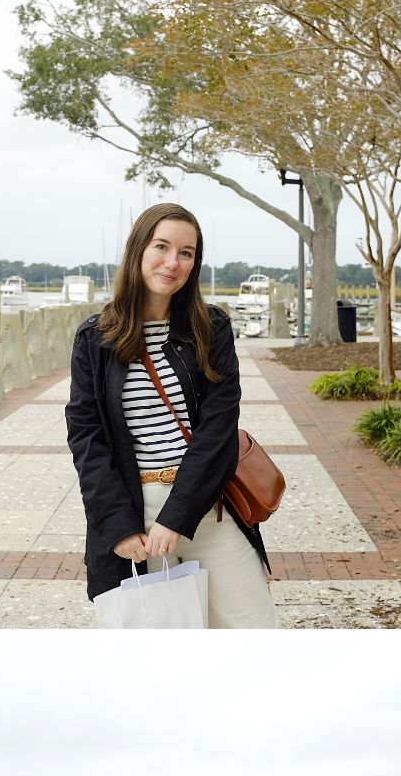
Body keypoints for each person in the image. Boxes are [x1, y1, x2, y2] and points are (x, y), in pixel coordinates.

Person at [65, 202, 276, 627]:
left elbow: (218, 430)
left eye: (186, 252)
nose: (173, 262)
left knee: (253, 631)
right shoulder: (95, 338)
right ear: (138, 250)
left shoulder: (210, 329)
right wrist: (117, 527)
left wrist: (177, 516)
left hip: (206, 508)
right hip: (135, 517)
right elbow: (87, 437)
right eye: (162, 246)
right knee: (161, 649)